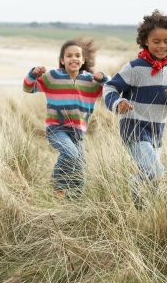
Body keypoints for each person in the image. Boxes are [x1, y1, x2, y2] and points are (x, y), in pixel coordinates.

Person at [103, 10, 167, 208]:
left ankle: (142, 213)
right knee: (156, 172)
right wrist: (118, 103)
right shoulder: (134, 67)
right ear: (145, 42)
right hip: (133, 129)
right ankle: (136, 197)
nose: (162, 46)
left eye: (166, 41)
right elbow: (110, 87)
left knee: (152, 180)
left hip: (157, 132)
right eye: (156, 41)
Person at [23, 39, 109, 199]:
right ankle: (58, 186)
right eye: (69, 55)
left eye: (77, 55)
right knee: (70, 154)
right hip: (57, 129)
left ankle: (73, 203)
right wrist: (33, 74)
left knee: (80, 169)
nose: (73, 58)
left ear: (83, 60)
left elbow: (111, 90)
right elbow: (28, 88)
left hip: (78, 133)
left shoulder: (91, 81)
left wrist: (103, 78)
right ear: (63, 60)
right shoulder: (53, 78)